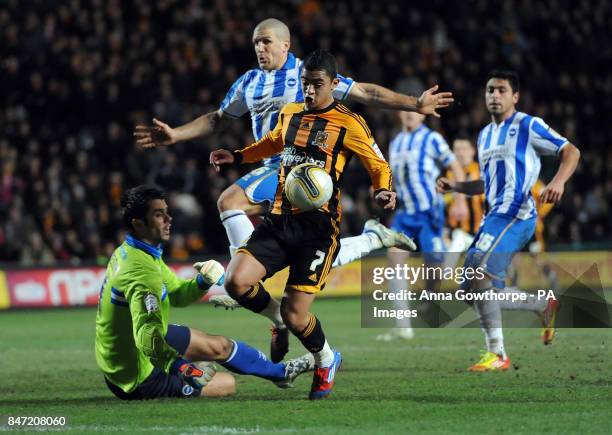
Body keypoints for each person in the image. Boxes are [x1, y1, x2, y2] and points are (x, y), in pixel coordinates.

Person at [134, 18, 451, 362]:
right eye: (256, 42)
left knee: (230, 201)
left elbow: (367, 93)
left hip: (305, 172)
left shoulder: (309, 73)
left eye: (267, 41)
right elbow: (218, 118)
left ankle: (243, 282)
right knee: (306, 252)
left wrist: (414, 103)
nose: (260, 48)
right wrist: (177, 134)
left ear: (286, 45)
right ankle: (370, 240)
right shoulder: (249, 83)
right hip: (276, 168)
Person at [209, 49, 401, 399]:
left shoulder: (349, 122)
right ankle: (278, 322)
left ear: (334, 84)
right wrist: (238, 156)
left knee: (298, 316)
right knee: (236, 282)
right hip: (279, 221)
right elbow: (272, 143)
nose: (309, 91)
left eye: (317, 84)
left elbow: (377, 163)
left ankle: (325, 359)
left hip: (317, 231)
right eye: (305, 84)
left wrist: (384, 190)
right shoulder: (291, 112)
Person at [95, 185, 312, 400]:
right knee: (227, 384)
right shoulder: (141, 273)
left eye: (166, 212)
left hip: (121, 351)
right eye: (159, 215)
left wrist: (202, 281)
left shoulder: (136, 251)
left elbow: (177, 294)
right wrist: (183, 368)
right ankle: (179, 370)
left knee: (219, 345)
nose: (169, 219)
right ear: (138, 224)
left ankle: (282, 374)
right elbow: (146, 336)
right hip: (137, 375)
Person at [437, 70, 580, 371]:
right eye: (490, 90)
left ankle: (498, 355)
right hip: (494, 216)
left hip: (517, 213)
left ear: (515, 96)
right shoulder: (485, 135)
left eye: (501, 90)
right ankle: (543, 305)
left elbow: (571, 151)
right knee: (468, 288)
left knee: (478, 275)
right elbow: (486, 185)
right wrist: (457, 187)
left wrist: (558, 182)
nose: (494, 96)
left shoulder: (527, 125)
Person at [376, 111, 468, 341]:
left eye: (415, 112)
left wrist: (459, 200)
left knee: (436, 269)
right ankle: (403, 325)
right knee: (394, 258)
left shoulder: (432, 138)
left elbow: (455, 166)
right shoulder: (396, 142)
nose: (409, 115)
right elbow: (395, 176)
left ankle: (458, 242)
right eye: (405, 110)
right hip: (406, 213)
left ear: (423, 117)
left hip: (429, 212)